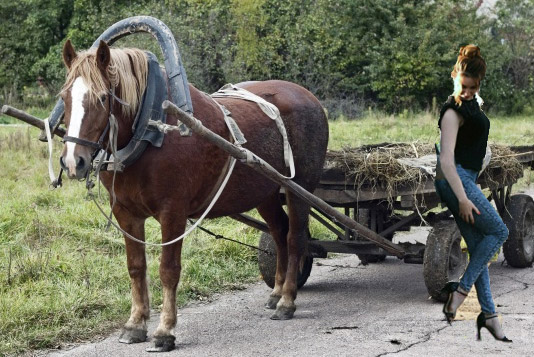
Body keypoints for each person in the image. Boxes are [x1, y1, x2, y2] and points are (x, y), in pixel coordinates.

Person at [434, 45, 512, 342]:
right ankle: (461, 289)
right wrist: (464, 198)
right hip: (456, 180)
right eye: (462, 85)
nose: (466, 91)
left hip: (463, 179)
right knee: (500, 232)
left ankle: (490, 315)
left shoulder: (472, 105)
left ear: (479, 84)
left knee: (480, 244)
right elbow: (445, 159)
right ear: (455, 77)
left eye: (473, 87)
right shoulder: (453, 110)